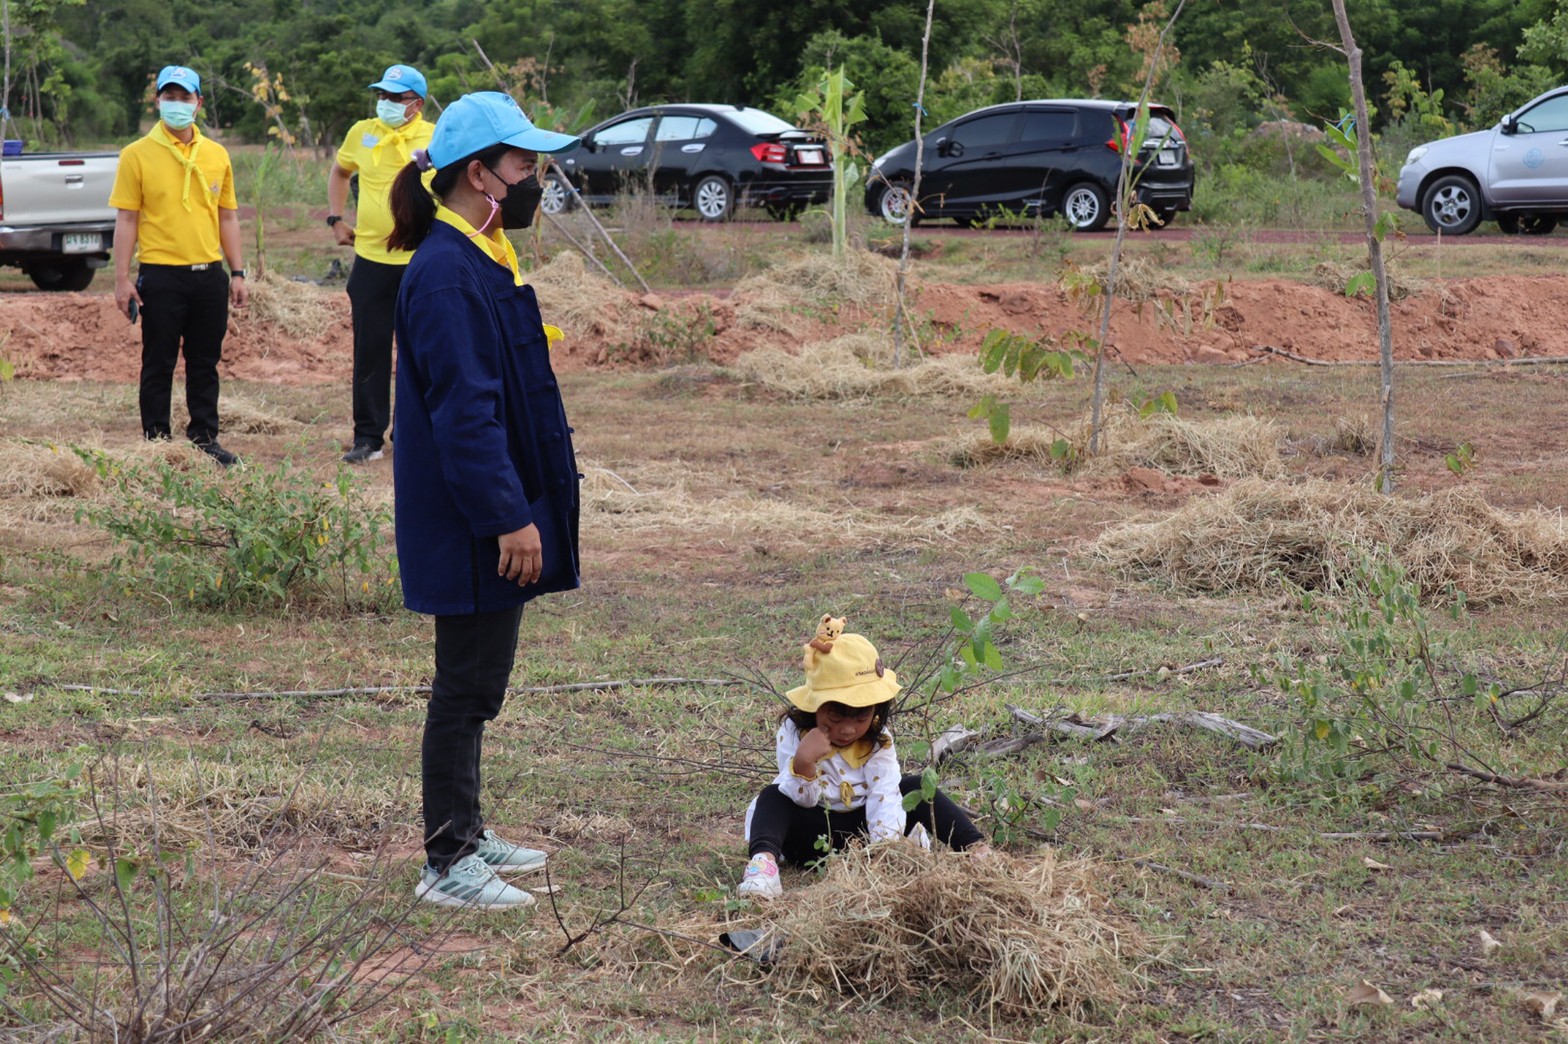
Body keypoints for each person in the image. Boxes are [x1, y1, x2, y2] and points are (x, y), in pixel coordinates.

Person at [385, 91, 582, 910]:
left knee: (479, 684)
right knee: (463, 687)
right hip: (474, 519)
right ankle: (447, 860)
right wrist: (508, 514)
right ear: (481, 175)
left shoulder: (481, 253)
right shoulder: (444, 276)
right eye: (524, 164)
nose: (536, 178)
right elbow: (465, 415)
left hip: (495, 506)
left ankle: (467, 826)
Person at [738, 627, 990, 899]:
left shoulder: (878, 740)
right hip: (813, 838)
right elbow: (801, 800)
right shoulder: (794, 732)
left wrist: (885, 853)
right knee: (773, 796)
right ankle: (764, 867)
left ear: (876, 710)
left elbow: (885, 796)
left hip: (866, 834)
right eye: (835, 718)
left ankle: (977, 849)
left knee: (916, 787)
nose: (847, 730)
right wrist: (804, 762)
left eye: (860, 719)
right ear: (814, 706)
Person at [110, 64, 248, 467]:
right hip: (161, 276)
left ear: (198, 103)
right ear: (158, 102)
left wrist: (237, 273)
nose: (176, 104)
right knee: (159, 361)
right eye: (168, 97)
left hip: (209, 274)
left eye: (184, 97)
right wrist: (121, 280)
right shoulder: (136, 154)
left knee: (205, 362)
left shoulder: (217, 154)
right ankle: (156, 442)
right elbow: (127, 219)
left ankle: (205, 439)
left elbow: (227, 216)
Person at [326, 63, 434, 464]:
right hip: (371, 260)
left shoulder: (434, 137)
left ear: (416, 104)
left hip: (420, 261)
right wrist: (336, 218)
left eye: (395, 97)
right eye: (382, 95)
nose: (385, 103)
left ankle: (412, 433)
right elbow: (340, 172)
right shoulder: (362, 132)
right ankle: (368, 438)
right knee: (369, 350)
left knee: (420, 351)